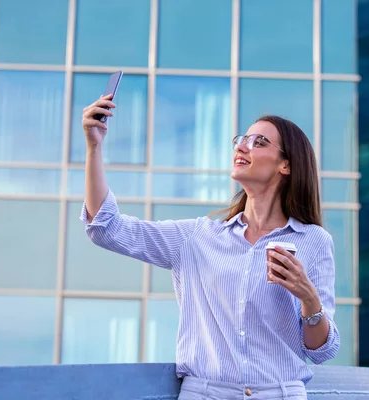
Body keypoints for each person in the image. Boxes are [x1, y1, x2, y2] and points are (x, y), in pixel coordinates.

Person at [80, 94, 340, 400]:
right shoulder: (197, 237)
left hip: (281, 393)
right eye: (242, 140)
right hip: (205, 393)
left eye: (259, 142)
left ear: (286, 165)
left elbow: (322, 350)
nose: (242, 146)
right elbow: (107, 229)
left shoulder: (313, 241)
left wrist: (309, 299)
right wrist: (94, 146)